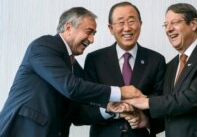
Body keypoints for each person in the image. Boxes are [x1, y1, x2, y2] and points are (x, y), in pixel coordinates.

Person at [0, 7, 144, 137]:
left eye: (93, 34)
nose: (92, 40)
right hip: (23, 130)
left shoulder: (76, 70)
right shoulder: (44, 46)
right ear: (68, 27)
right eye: (89, 32)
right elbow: (71, 87)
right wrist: (121, 92)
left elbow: (77, 115)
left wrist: (110, 109)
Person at [125, 3, 197, 137]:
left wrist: (147, 102)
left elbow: (193, 98)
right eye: (165, 25)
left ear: (193, 24)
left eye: (174, 22)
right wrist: (148, 122)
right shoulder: (171, 66)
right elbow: (171, 105)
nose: (168, 29)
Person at [73, 1, 166, 137]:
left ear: (140, 24)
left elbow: (163, 105)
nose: (127, 28)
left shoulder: (156, 60)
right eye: (121, 22)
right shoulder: (94, 60)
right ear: (111, 28)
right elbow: (83, 110)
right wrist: (111, 110)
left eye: (131, 21)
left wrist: (146, 120)